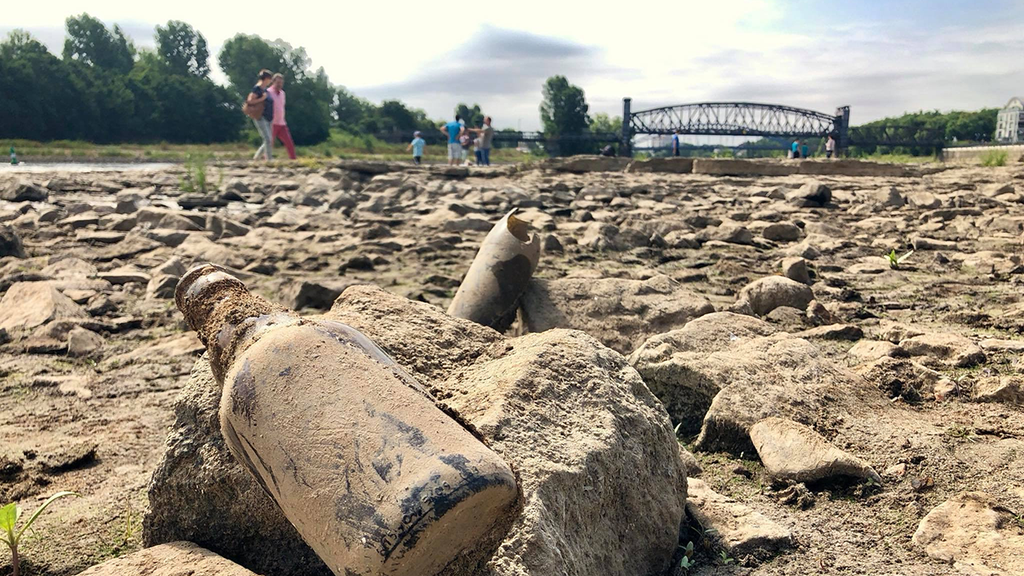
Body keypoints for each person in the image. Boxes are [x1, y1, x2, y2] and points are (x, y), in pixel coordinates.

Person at [267, 73, 296, 160]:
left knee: (289, 142)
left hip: (282, 122)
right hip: (272, 122)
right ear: (273, 82)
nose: (280, 84)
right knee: (269, 143)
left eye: (281, 82)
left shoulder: (283, 93)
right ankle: (267, 159)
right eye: (278, 82)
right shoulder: (268, 92)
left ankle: (293, 159)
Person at [248, 70, 275, 161]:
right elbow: (250, 101)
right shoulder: (257, 89)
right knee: (267, 139)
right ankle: (269, 159)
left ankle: (257, 157)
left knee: (269, 139)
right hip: (260, 117)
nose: (271, 81)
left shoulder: (265, 90)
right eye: (270, 79)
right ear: (266, 79)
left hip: (268, 117)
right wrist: (262, 99)